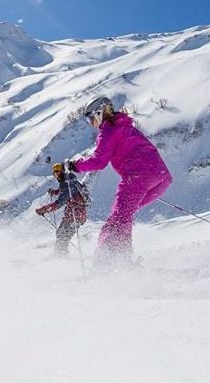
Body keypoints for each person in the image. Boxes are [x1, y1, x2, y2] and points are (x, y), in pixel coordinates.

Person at [68, 96, 172, 269]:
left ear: (99, 113)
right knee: (123, 217)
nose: (91, 122)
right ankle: (122, 260)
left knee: (116, 220)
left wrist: (73, 166)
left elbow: (98, 162)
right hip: (161, 178)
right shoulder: (125, 126)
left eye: (90, 117)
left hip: (138, 177)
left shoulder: (108, 131)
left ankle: (103, 266)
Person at [35, 163, 88, 255]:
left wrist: (44, 210)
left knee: (63, 235)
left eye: (58, 172)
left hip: (76, 215)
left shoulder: (68, 184)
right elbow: (62, 192)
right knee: (60, 233)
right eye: (54, 173)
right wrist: (55, 192)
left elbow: (59, 202)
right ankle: (60, 253)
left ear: (62, 171)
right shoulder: (67, 181)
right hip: (71, 214)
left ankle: (60, 256)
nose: (56, 175)